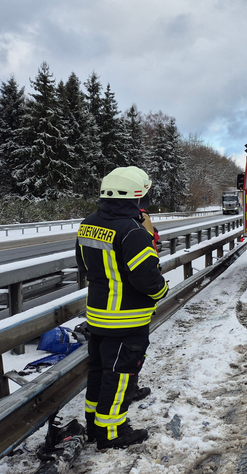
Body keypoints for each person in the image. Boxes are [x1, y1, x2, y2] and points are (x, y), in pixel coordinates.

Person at [75, 166, 168, 450]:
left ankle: (93, 425)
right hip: (125, 319)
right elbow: (146, 277)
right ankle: (112, 433)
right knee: (119, 377)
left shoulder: (89, 223)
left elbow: (83, 265)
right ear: (136, 198)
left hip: (99, 315)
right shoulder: (132, 231)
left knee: (99, 371)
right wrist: (162, 291)